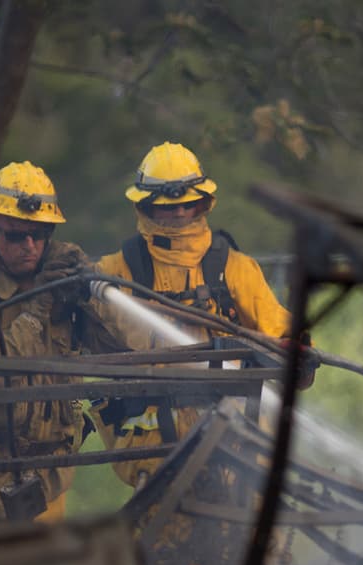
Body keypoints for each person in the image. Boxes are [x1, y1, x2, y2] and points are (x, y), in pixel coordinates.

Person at [0, 160, 132, 532]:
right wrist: (38, 308)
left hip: (45, 486)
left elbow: (124, 349)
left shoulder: (59, 289)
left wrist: (91, 293)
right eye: (16, 236)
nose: (30, 246)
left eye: (40, 234)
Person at [95, 141, 315, 489]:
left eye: (188, 205)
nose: (180, 215)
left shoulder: (234, 269)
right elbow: (70, 326)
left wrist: (296, 349)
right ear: (146, 207)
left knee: (248, 539)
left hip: (235, 446)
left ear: (203, 203)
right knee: (161, 540)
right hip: (154, 458)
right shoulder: (113, 274)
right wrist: (68, 278)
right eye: (169, 208)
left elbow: (279, 327)